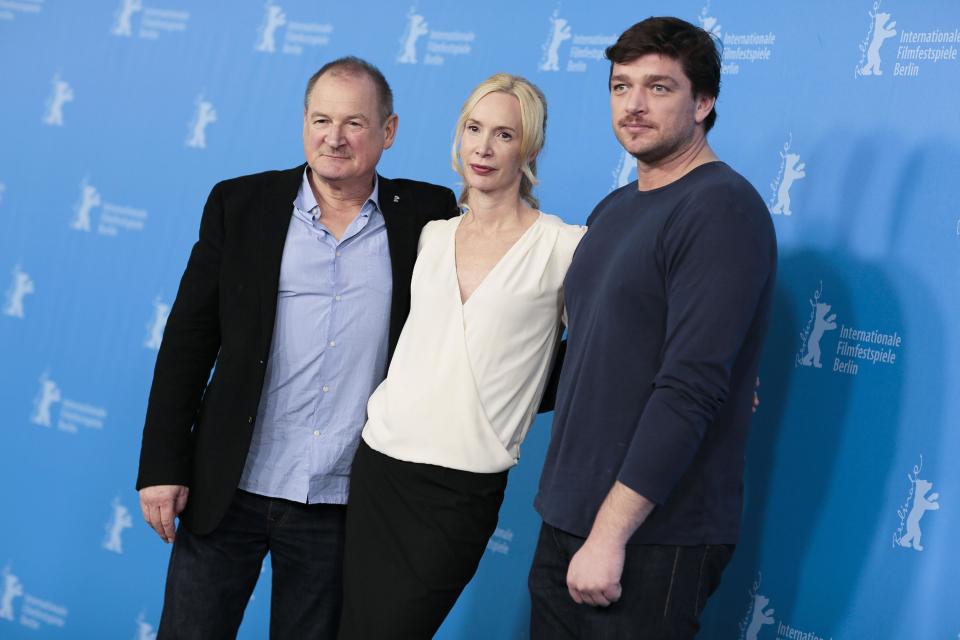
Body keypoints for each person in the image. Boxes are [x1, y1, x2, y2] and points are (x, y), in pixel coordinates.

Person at [135, 56, 458, 639]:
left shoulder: (430, 216)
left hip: (343, 498)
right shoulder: (241, 205)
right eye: (321, 119)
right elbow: (187, 340)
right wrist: (161, 466)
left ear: (388, 132)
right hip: (226, 487)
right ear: (303, 124)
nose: (334, 138)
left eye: (354, 123)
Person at [529, 17, 778, 639]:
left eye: (659, 88)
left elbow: (689, 389)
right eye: (621, 86)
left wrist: (610, 535)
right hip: (568, 521)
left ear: (704, 102)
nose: (633, 105)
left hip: (651, 539)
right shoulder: (615, 208)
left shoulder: (721, 208)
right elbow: (590, 358)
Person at [336, 73, 585, 640]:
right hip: (381, 465)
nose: (484, 147)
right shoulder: (430, 235)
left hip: (462, 486)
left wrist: (711, 369)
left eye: (503, 134)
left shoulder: (563, 247)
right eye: (474, 129)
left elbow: (610, 345)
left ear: (530, 148)